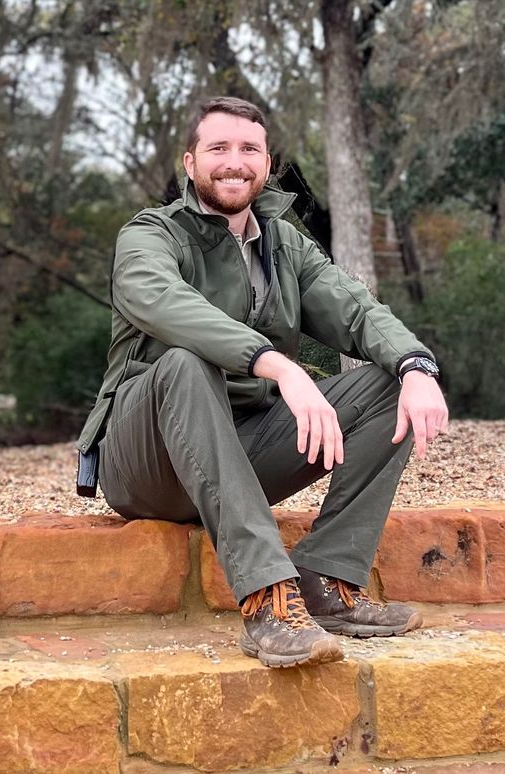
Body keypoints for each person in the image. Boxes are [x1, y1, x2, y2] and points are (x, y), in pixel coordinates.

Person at [76, 96, 448, 668]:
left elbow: (354, 310)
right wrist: (276, 364)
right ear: (190, 161)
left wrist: (415, 366)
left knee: (387, 386)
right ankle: (268, 600)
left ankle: (326, 581)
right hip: (146, 464)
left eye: (249, 149)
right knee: (183, 361)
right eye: (218, 148)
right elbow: (168, 305)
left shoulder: (284, 244)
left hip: (242, 450)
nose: (234, 161)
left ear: (267, 164)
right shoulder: (148, 236)